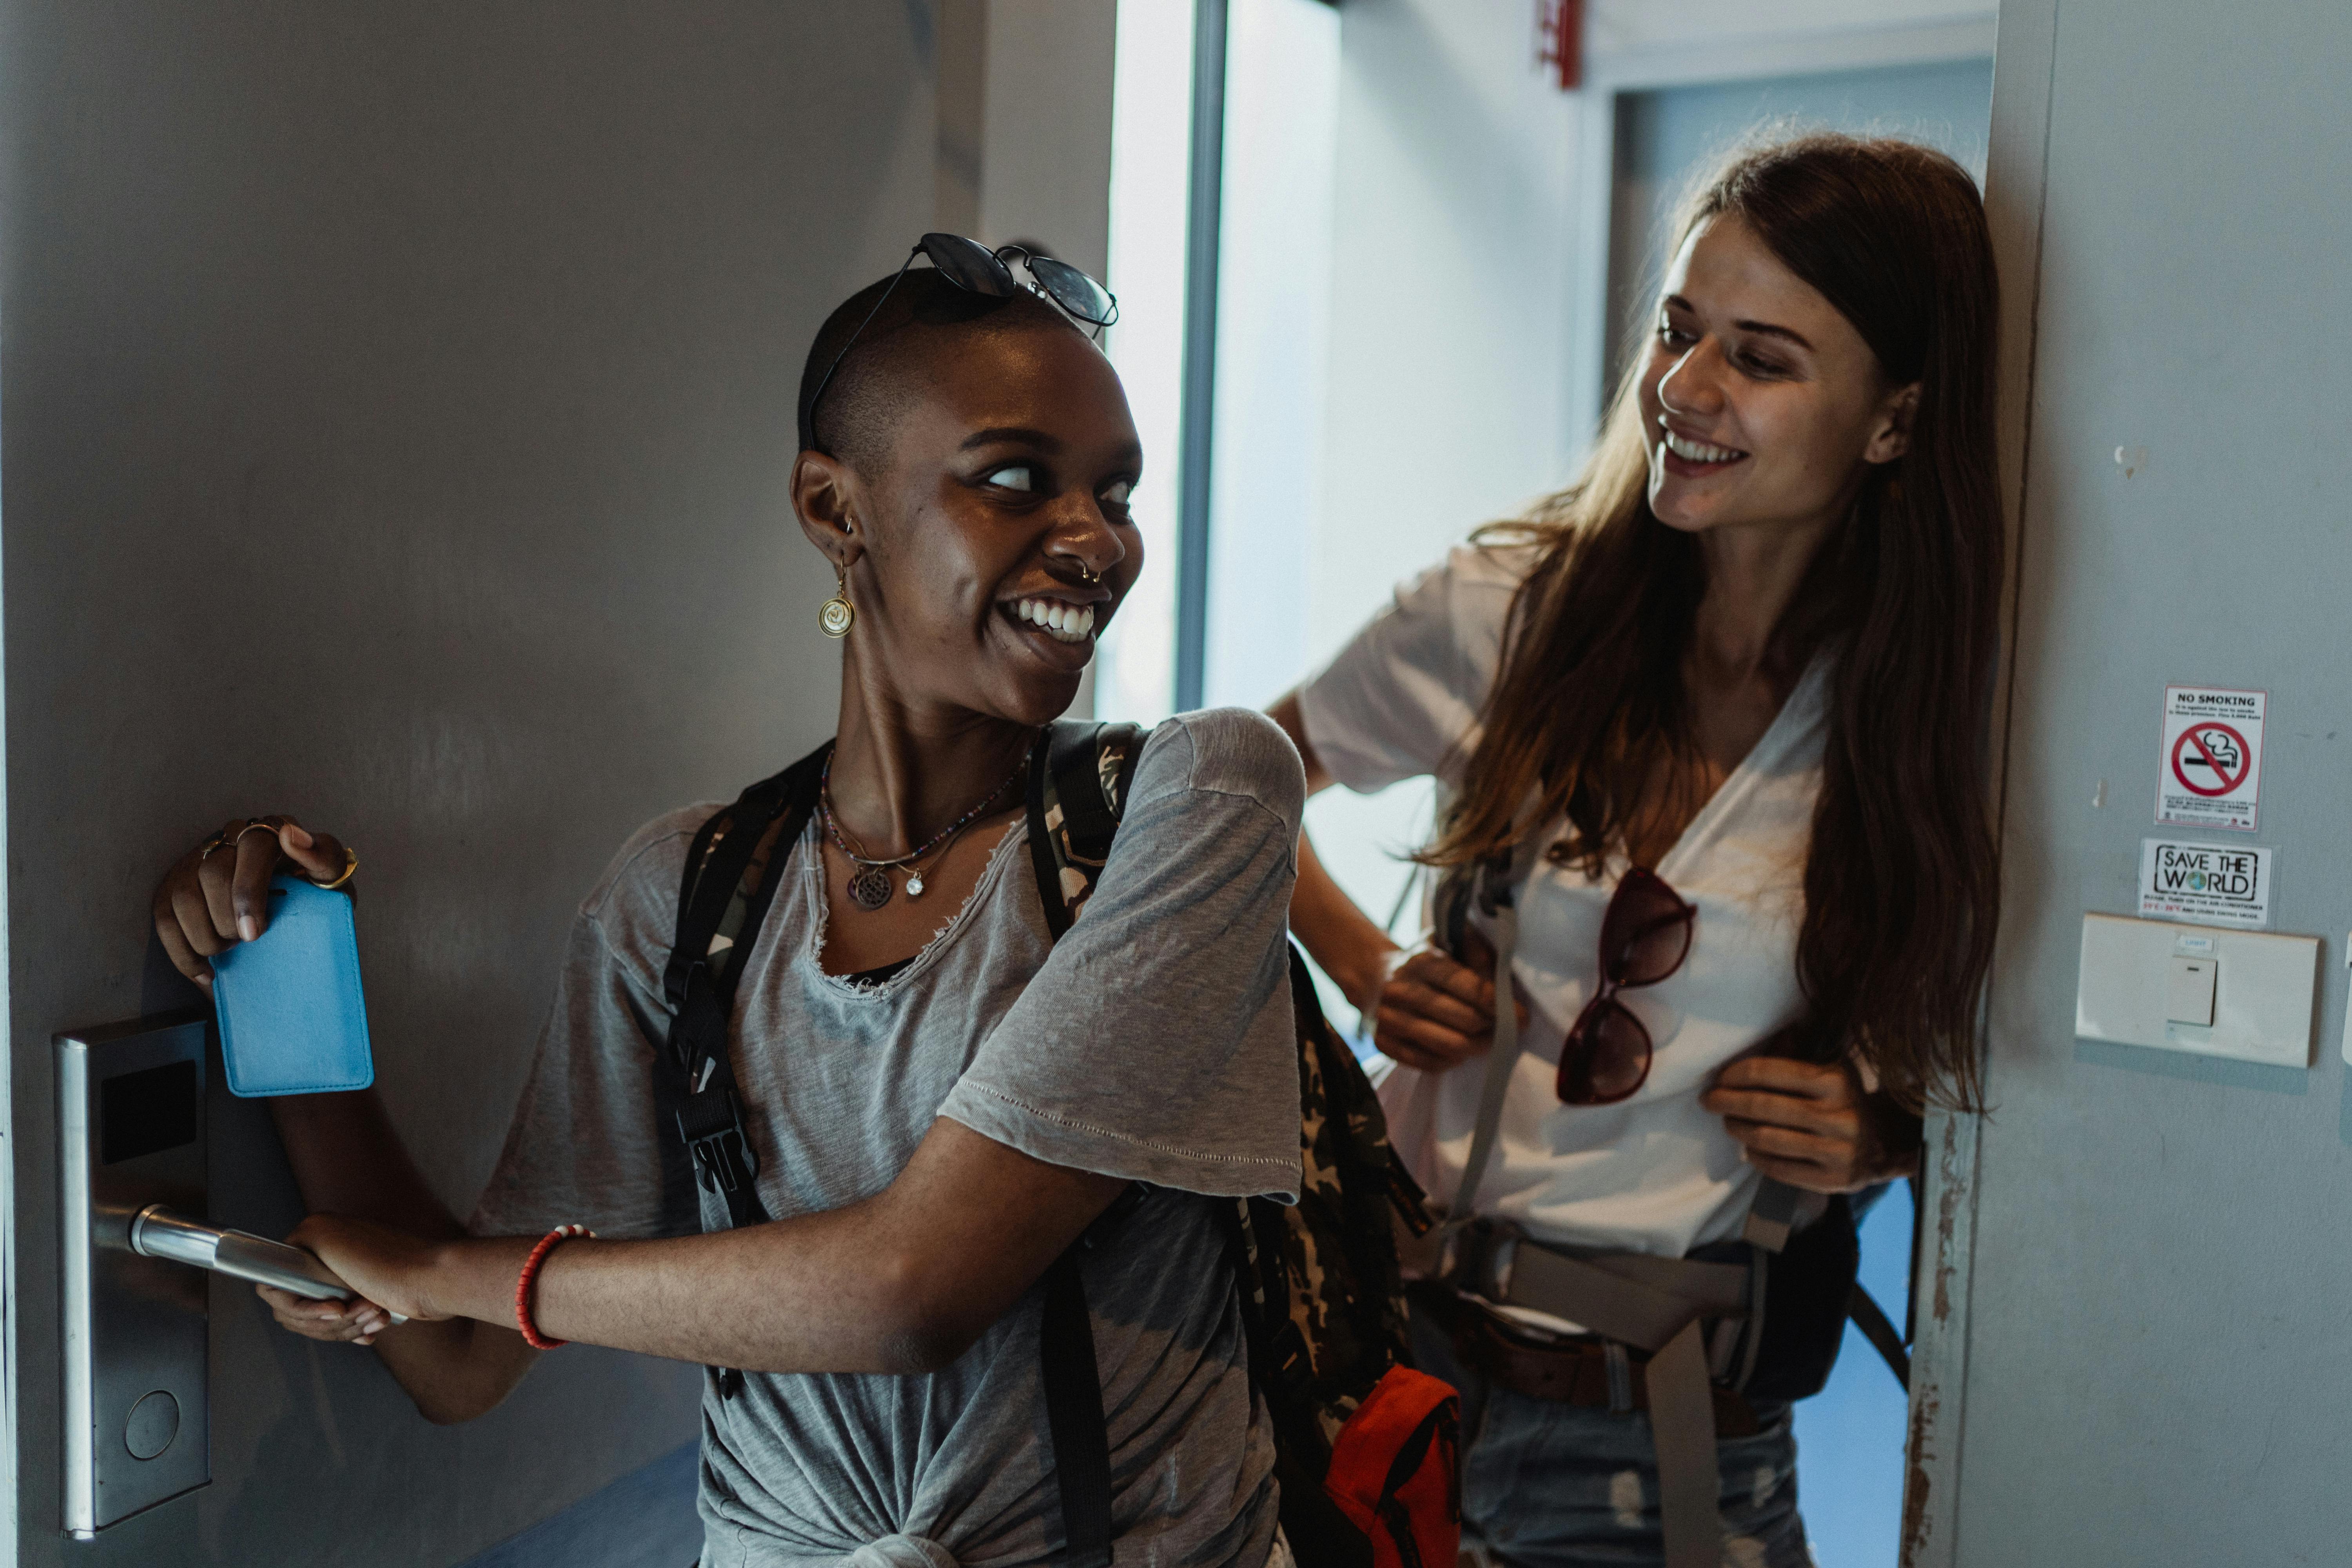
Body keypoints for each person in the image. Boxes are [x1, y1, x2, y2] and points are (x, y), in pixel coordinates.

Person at [153, 240, 1308, 1568]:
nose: (1098, 542)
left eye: (1117, 493)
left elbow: (910, 1290)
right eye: (1015, 480)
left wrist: (457, 1277)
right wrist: (284, 966)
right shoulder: (685, 895)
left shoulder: (1191, 802)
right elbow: (460, 1357)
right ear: (836, 509)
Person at [1272, 134, 2002, 1567]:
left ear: (1896, 420)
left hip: (1675, 1450)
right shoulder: (1509, 609)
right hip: (1395, 1380)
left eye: (1762, 358)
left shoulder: (1932, 718)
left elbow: (2012, 1052)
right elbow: (1225, 782)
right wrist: (1365, 965)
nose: (1685, 389)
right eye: (1679, 332)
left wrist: (1889, 1133)